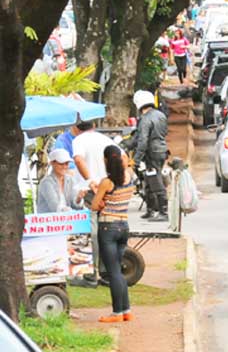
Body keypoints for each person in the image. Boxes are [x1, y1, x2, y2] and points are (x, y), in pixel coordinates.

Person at [92, 145, 136, 323]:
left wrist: (100, 198)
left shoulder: (106, 182)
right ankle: (126, 310)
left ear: (105, 161)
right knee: (118, 269)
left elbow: (95, 205)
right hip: (123, 226)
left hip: (108, 228)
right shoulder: (129, 176)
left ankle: (117, 312)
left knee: (114, 272)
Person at [123, 90, 169, 222]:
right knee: (149, 180)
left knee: (155, 181)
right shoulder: (160, 115)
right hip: (161, 151)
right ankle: (151, 209)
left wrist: (135, 160)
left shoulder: (145, 119)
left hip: (151, 153)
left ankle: (163, 212)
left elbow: (142, 140)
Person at [37, 149, 87, 213]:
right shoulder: (46, 183)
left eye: (66, 163)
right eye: (61, 164)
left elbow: (76, 205)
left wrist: (78, 199)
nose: (64, 166)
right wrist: (72, 213)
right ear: (52, 163)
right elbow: (55, 207)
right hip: (48, 221)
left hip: (66, 221)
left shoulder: (70, 180)